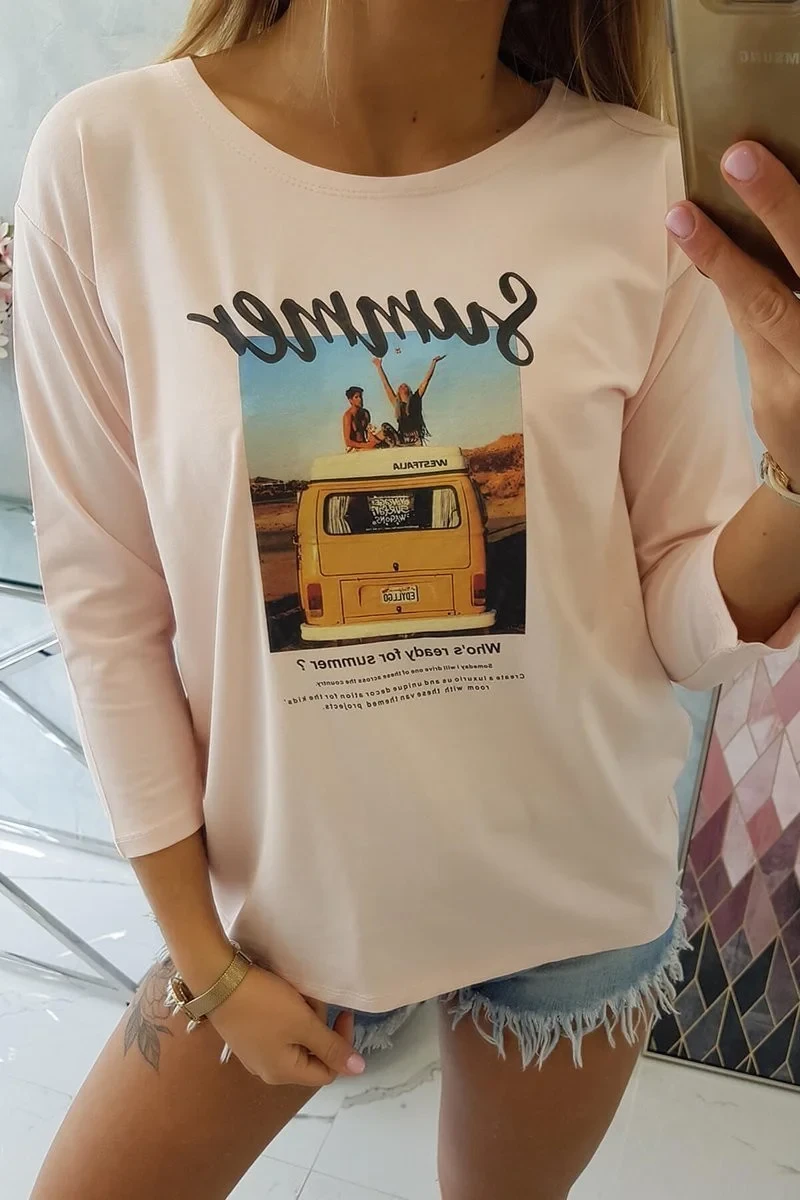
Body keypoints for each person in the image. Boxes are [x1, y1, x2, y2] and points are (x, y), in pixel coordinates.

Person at [12, 2, 800, 1198]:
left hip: (571, 899)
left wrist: (794, 480)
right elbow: (107, 609)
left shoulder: (644, 183)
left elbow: (680, 626)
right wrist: (202, 959)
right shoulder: (108, 160)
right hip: (279, 917)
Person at [373, 353, 446, 444]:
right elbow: (386, 384)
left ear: (409, 390)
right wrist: (379, 367)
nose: (403, 387)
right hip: (402, 439)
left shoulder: (415, 398)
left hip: (415, 438)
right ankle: (371, 445)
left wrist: (433, 363)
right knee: (385, 427)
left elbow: (426, 381)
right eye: (401, 386)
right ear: (398, 392)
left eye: (405, 386)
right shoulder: (397, 403)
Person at [341, 384, 378, 450]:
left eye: (361, 396)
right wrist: (366, 445)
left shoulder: (365, 413)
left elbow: (368, 434)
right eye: (356, 397)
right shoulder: (348, 416)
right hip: (354, 448)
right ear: (350, 400)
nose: (360, 399)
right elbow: (347, 442)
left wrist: (374, 440)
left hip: (365, 445)